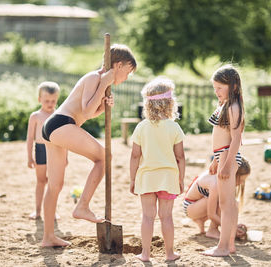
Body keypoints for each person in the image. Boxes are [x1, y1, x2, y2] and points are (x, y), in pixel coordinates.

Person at [41, 44, 137, 247]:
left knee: (55, 185)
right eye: (127, 72)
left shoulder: (98, 80)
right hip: (62, 124)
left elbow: (90, 112)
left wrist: (103, 106)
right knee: (104, 157)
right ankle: (82, 206)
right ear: (117, 66)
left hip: (54, 126)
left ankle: (48, 236)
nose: (126, 78)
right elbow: (84, 112)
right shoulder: (95, 77)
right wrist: (103, 84)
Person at [129, 77, 185, 262]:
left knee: (147, 216)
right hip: (168, 178)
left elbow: (135, 156)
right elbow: (180, 157)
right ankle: (169, 253)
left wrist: (132, 179)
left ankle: (145, 254)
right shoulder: (174, 127)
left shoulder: (141, 127)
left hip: (146, 178)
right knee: (166, 217)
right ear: (170, 103)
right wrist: (181, 179)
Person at [202, 64, 245, 257]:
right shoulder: (226, 105)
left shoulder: (234, 107)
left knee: (226, 205)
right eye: (215, 88)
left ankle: (223, 247)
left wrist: (226, 164)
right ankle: (230, 245)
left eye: (220, 87)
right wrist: (215, 161)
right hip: (223, 156)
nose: (216, 91)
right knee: (230, 204)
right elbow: (223, 136)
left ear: (233, 86)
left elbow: (236, 139)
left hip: (228, 157)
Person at [183, 157, 250, 245]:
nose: (241, 183)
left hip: (199, 205)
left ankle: (203, 221)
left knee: (227, 200)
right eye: (241, 180)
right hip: (190, 206)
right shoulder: (215, 183)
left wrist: (234, 226)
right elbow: (212, 214)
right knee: (222, 201)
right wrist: (230, 228)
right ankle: (212, 230)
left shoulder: (223, 180)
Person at [26, 81, 60, 220]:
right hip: (40, 150)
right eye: (46, 100)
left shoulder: (58, 114)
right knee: (41, 181)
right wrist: (29, 157)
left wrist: (65, 158)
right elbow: (30, 137)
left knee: (54, 183)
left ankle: (52, 211)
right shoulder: (35, 116)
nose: (50, 104)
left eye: (53, 101)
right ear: (39, 99)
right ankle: (38, 210)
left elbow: (64, 138)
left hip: (56, 150)